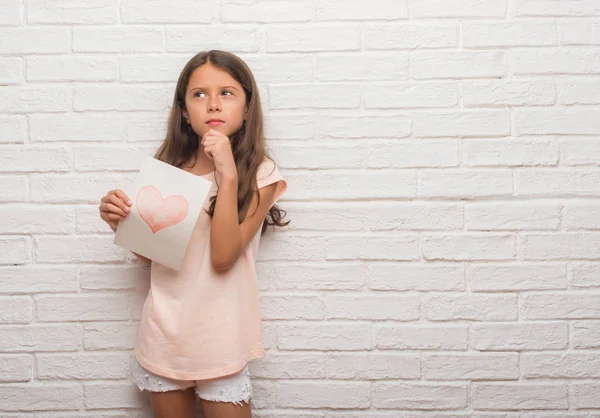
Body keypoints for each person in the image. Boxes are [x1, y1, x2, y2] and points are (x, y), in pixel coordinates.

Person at [98, 50, 288, 418]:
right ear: (184, 111)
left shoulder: (261, 174)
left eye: (227, 93)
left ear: (247, 107)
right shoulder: (169, 172)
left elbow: (221, 257)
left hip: (222, 338)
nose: (213, 104)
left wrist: (228, 176)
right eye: (199, 95)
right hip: (165, 335)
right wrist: (120, 223)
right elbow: (158, 255)